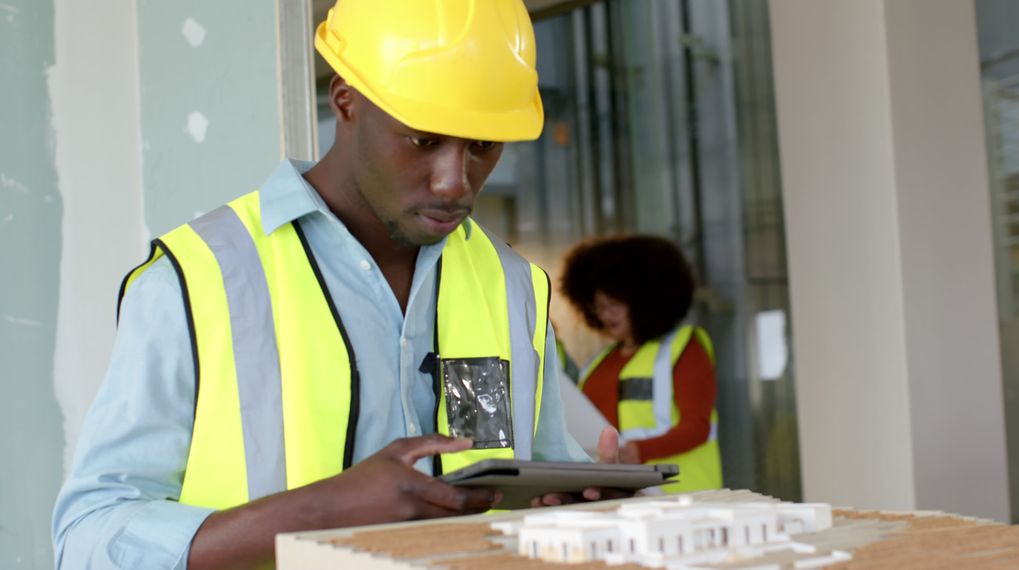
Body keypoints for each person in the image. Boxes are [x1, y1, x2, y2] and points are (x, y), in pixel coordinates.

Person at [51, 2, 623, 568]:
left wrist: (581, 509)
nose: (455, 182)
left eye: (481, 146)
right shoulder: (198, 278)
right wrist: (319, 512)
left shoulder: (513, 286)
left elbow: (534, 485)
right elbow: (86, 539)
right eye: (424, 140)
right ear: (345, 100)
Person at [561, 235, 723, 494]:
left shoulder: (683, 347)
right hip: (624, 497)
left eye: (614, 304)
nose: (605, 315)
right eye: (598, 306)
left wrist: (640, 452)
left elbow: (697, 427)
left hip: (683, 497)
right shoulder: (596, 364)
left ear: (641, 300)